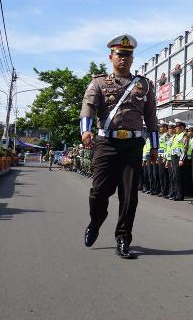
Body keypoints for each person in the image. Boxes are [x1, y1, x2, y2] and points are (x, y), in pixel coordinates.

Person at [80, 34, 158, 259]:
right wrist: (86, 130)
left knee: (129, 195)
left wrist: (154, 147)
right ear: (111, 56)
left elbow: (151, 117)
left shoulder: (144, 85)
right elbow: (88, 108)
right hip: (106, 143)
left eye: (128, 55)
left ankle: (123, 238)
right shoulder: (99, 83)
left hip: (133, 145)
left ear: (133, 58)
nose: (124, 58)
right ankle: (96, 221)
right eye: (120, 54)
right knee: (98, 192)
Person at [170, 120, 189, 201]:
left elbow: (185, 148)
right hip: (174, 157)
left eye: (177, 128)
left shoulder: (184, 135)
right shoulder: (176, 136)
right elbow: (172, 148)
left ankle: (180, 195)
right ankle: (176, 193)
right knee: (175, 176)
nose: (175, 129)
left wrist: (182, 159)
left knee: (179, 177)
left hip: (179, 158)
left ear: (181, 128)